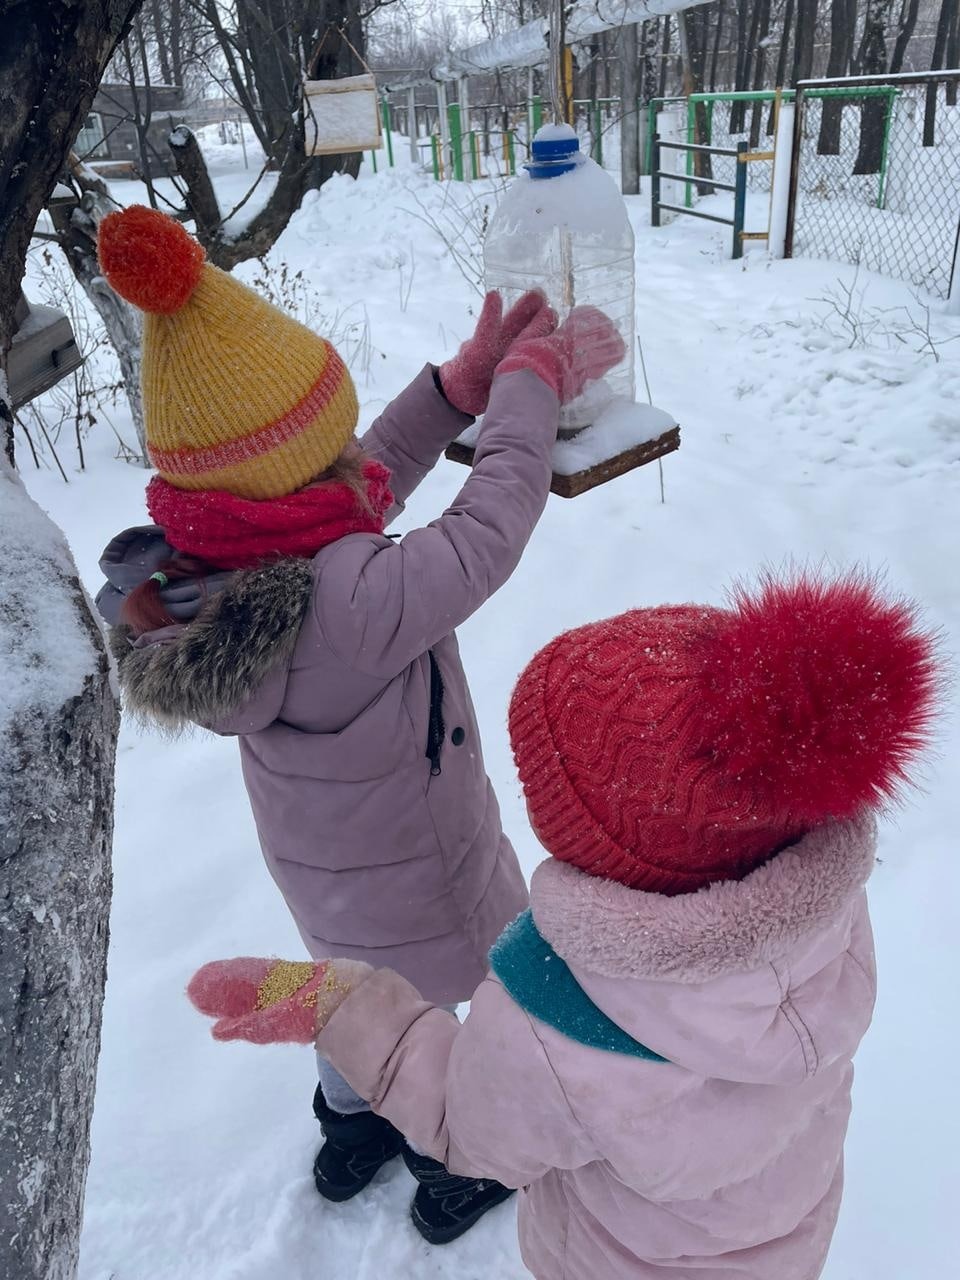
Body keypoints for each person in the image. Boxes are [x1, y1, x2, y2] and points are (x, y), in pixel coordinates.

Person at [94, 204, 625, 1244]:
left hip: (326, 881)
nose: (355, 456)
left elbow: (355, 479)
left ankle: (349, 1133)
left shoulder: (213, 573)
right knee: (478, 1004)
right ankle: (458, 1152)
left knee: (345, 994)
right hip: (432, 871)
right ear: (295, 477)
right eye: (329, 442)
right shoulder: (357, 599)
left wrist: (449, 394)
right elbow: (490, 522)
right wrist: (526, 387)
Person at [189, 572, 938, 1279]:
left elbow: (465, 1124)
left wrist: (333, 1003)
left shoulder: (558, 1021)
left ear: (592, 835)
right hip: (788, 1242)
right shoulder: (825, 909)